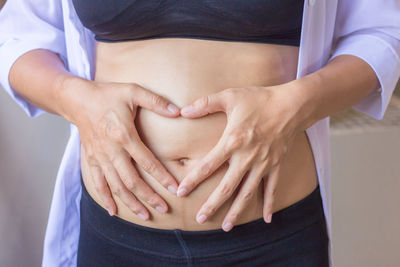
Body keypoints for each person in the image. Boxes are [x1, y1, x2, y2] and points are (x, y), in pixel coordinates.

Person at [1, 0, 399, 266]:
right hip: (116, 237)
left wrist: (294, 105)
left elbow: (385, 33)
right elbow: (18, 36)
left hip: (271, 242)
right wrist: (75, 100)